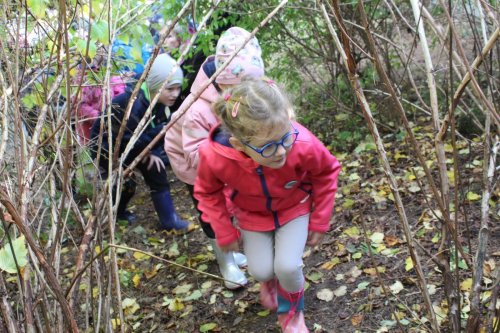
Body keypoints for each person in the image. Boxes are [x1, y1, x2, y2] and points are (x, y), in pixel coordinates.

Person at [193, 77, 341, 332]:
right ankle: (269, 282)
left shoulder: (302, 142)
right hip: (252, 216)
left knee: (287, 266)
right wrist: (224, 230)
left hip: (294, 207)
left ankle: (292, 315)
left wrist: (319, 218)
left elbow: (327, 171)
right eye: (269, 147)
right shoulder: (214, 155)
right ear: (240, 146)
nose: (282, 151)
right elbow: (207, 192)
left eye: (285, 138)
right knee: (261, 271)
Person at [164, 27, 265, 289]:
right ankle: (226, 263)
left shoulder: (238, 88)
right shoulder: (197, 110)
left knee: (231, 202)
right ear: (223, 83)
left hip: (223, 159)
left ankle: (232, 251)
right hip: (192, 163)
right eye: (242, 90)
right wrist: (235, 150)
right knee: (212, 211)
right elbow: (198, 157)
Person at [90, 53, 194, 234]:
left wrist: (151, 151)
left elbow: (151, 130)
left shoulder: (160, 101)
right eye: (170, 89)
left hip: (137, 144)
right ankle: (114, 215)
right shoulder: (133, 103)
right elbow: (128, 138)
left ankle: (169, 220)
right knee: (124, 183)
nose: (175, 94)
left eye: (178, 88)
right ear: (155, 86)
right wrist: (149, 147)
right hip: (108, 148)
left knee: (157, 170)